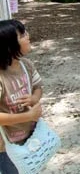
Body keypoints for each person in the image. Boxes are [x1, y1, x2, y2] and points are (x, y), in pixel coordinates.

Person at [0, 19, 43, 174]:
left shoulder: (26, 65)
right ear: (9, 46)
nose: (28, 36)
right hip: (5, 146)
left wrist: (34, 98)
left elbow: (38, 87)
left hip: (29, 136)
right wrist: (28, 116)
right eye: (22, 35)